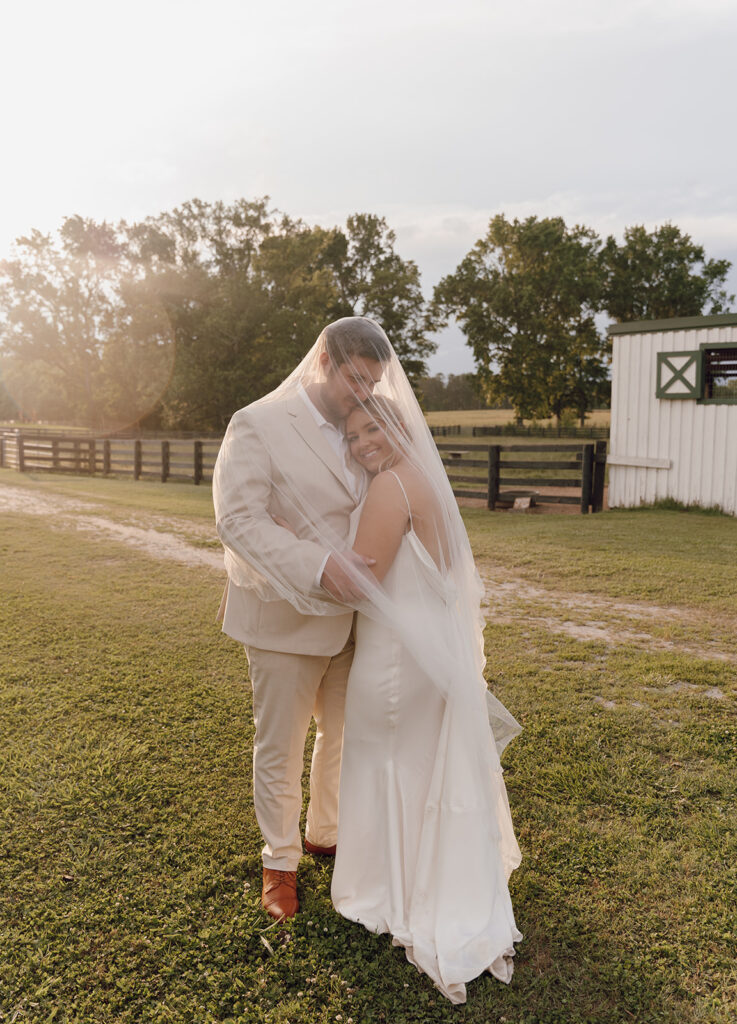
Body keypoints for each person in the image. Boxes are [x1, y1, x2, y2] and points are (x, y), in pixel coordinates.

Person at [329, 396, 523, 1004]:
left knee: (380, 760)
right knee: (415, 765)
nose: (362, 444)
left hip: (395, 655)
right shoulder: (428, 482)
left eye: (371, 429)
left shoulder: (391, 488)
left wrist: (304, 546)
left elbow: (363, 580)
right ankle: (422, 879)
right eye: (352, 435)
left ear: (398, 425)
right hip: (430, 650)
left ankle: (389, 890)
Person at [212, 316, 392, 920]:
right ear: (323, 360)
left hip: (353, 618)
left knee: (342, 736)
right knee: (281, 747)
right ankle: (280, 862)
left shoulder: (364, 425)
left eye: (374, 382)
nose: (364, 393)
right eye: (355, 379)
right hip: (283, 616)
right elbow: (237, 520)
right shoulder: (258, 422)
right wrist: (319, 565)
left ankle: (325, 831)